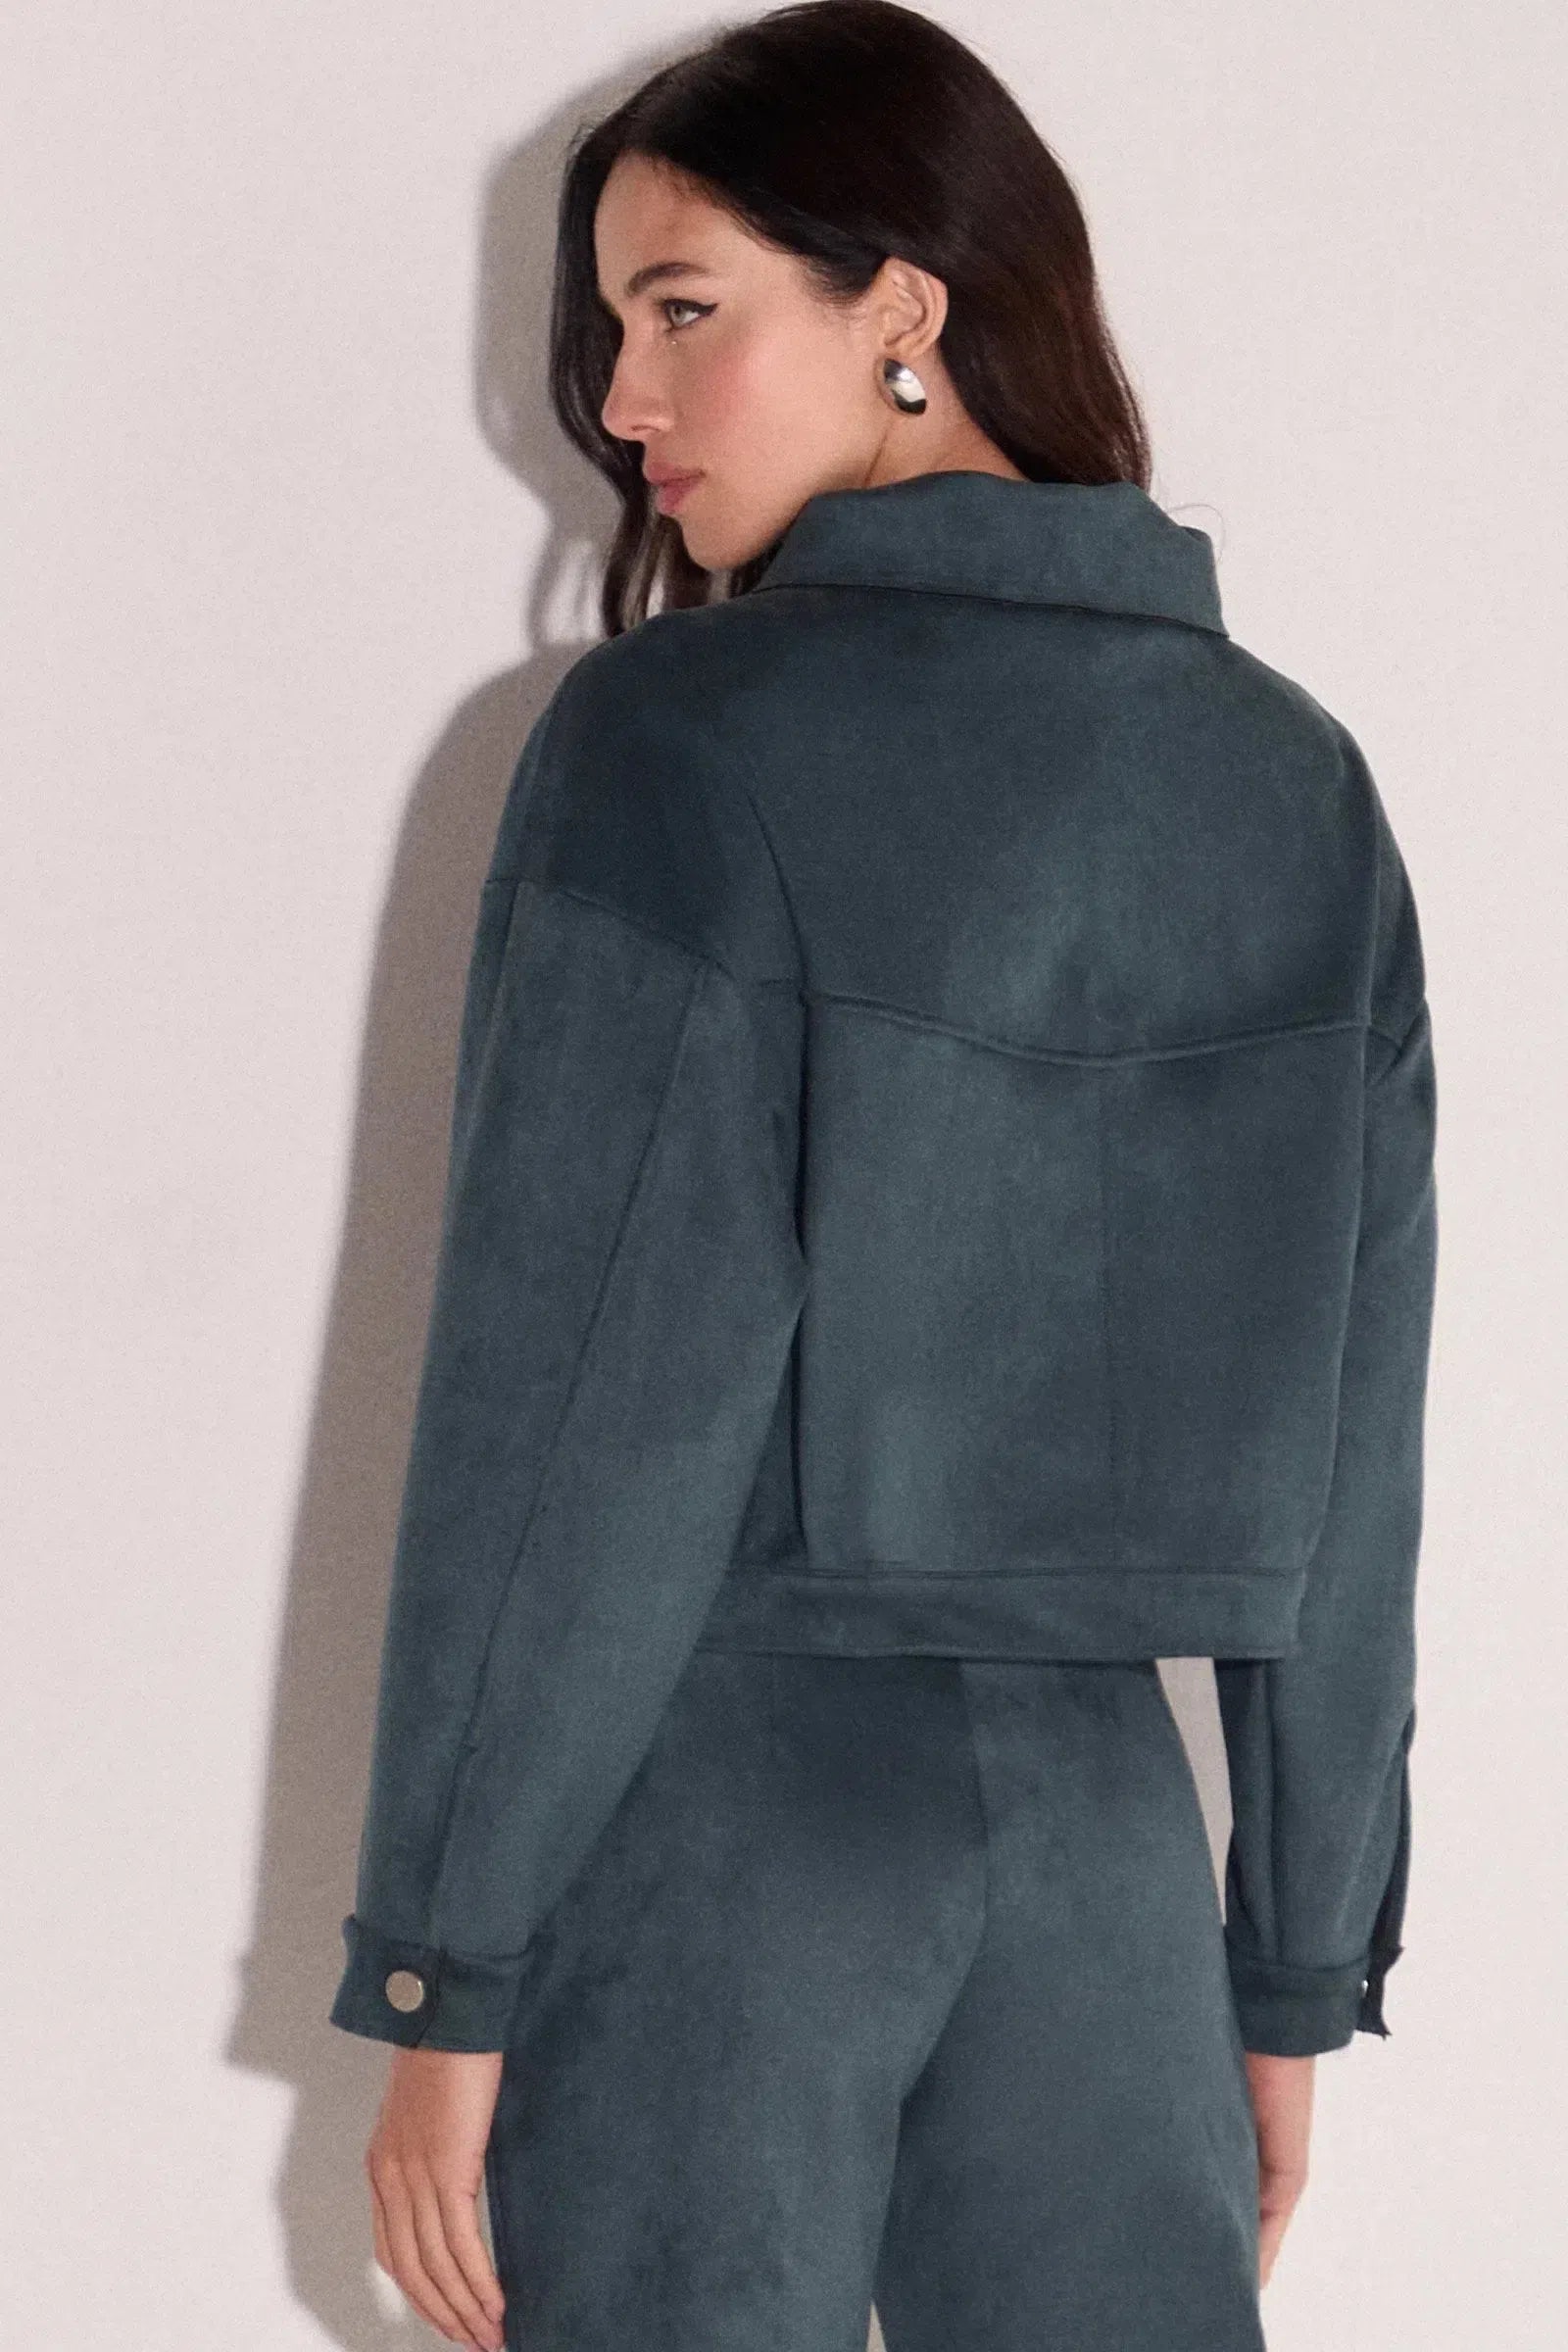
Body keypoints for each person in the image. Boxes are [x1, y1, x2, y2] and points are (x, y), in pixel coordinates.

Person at [327, 6, 1438, 2347]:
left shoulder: (675, 740)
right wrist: (1285, 1967)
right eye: (611, 330)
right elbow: (1355, 1452)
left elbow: (576, 1411)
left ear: (900, 308)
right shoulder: (1296, 784)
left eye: (680, 310)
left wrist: (447, 1964)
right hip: (1109, 1859)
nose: (621, 400)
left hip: (718, 1832)